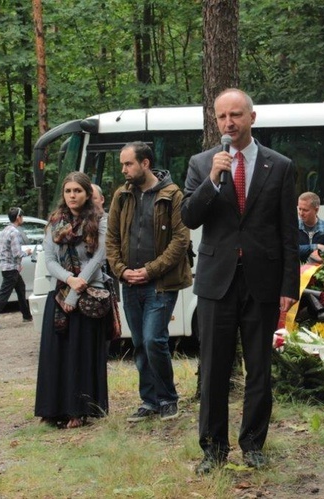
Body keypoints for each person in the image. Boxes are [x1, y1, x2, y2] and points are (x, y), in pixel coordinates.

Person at [182, 88, 299, 474]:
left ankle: (253, 445)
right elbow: (189, 218)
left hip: (263, 283)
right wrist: (213, 180)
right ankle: (213, 450)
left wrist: (288, 287)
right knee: (214, 369)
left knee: (259, 369)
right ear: (215, 122)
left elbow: (287, 232)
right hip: (217, 282)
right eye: (221, 117)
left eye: (235, 115)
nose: (228, 123)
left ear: (252, 117)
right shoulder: (203, 164)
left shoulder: (279, 166)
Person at [106, 141, 191, 422]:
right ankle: (149, 401)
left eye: (128, 164)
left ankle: (168, 398)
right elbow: (112, 239)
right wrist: (121, 270)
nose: (124, 170)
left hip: (161, 283)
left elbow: (181, 240)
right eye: (122, 164)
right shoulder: (121, 195)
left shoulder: (172, 194)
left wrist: (150, 270)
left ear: (145, 163)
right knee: (140, 342)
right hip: (129, 282)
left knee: (155, 339)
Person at [34, 172, 109, 429]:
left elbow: (98, 258)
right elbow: (50, 259)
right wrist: (69, 280)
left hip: (88, 294)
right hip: (60, 292)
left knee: (80, 354)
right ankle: (52, 408)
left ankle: (79, 410)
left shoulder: (99, 220)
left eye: (77, 190)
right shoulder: (55, 221)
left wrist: (76, 291)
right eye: (68, 191)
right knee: (55, 353)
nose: (72, 195)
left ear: (87, 193)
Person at [0, 207, 33, 329]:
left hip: (9, 267)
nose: (23, 218)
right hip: (11, 268)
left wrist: (18, 265)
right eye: (22, 216)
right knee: (4, 295)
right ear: (18, 217)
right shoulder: (14, 233)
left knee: (21, 288)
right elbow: (17, 253)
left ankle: (27, 315)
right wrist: (27, 252)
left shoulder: (5, 230)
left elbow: (4, 250)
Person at [297, 191, 324, 262]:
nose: (301, 213)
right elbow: (291, 250)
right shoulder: (293, 227)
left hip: (320, 271)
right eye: (299, 209)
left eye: (305, 210)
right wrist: (315, 247)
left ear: (316, 210)